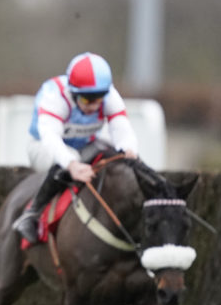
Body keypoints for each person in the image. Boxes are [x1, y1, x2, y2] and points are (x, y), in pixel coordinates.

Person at [12, 52, 139, 244]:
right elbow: (51, 139)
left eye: (99, 99)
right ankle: (31, 214)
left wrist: (129, 150)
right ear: (73, 93)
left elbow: (123, 131)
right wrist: (72, 164)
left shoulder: (110, 95)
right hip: (43, 147)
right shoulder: (54, 96)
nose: (94, 105)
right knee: (70, 158)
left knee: (119, 156)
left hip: (86, 144)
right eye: (87, 100)